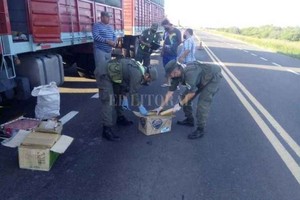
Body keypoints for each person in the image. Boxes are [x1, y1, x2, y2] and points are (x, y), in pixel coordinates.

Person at [154, 60, 222, 139]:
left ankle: (200, 129)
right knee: (184, 98)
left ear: (177, 69)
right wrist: (161, 107)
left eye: (172, 73)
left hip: (212, 78)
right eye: (169, 74)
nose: (171, 76)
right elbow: (169, 93)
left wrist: (179, 105)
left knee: (202, 104)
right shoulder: (175, 76)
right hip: (199, 80)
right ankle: (190, 120)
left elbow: (192, 93)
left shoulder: (190, 74)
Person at [100, 56, 158, 141]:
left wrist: (124, 97)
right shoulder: (137, 74)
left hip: (115, 75)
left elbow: (125, 83)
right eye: (149, 79)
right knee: (108, 100)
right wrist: (140, 107)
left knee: (119, 95)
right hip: (104, 74)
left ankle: (120, 117)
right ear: (147, 75)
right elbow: (133, 92)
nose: (148, 82)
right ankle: (106, 129)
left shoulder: (141, 70)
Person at [92, 11, 117, 83]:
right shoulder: (97, 25)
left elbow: (114, 36)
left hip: (108, 51)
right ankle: (100, 83)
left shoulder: (110, 27)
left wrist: (114, 42)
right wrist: (107, 41)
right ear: (102, 17)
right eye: (107, 17)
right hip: (100, 50)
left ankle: (106, 82)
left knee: (107, 67)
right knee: (100, 68)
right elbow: (95, 36)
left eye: (109, 17)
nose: (109, 19)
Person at [160, 19, 182, 87]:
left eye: (165, 26)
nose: (164, 28)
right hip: (165, 54)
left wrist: (173, 46)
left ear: (168, 24)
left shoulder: (177, 31)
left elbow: (180, 41)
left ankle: (175, 83)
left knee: (173, 68)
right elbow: (164, 42)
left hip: (172, 54)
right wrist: (162, 50)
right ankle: (168, 82)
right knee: (166, 68)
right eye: (163, 27)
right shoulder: (166, 32)